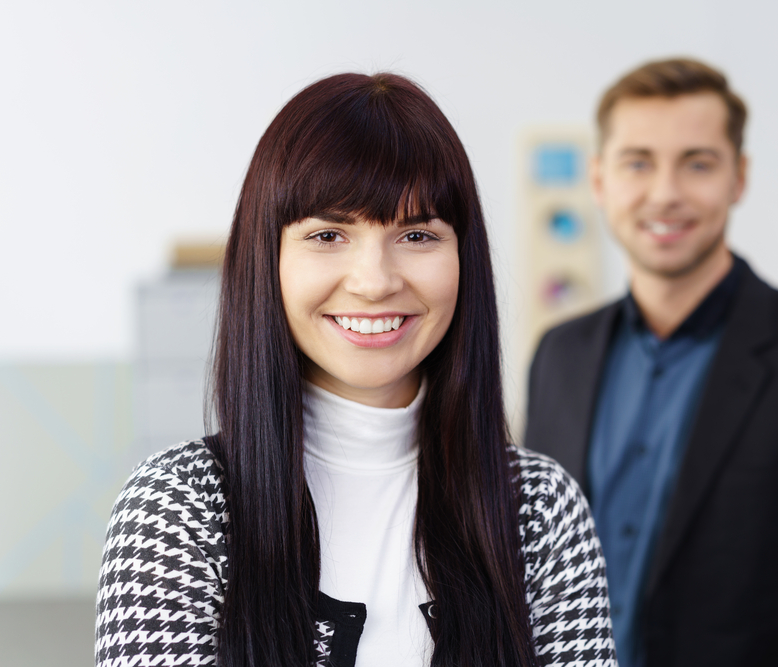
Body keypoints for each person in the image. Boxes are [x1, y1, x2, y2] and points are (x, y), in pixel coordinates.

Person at [95, 73, 616, 667]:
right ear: (268, 261)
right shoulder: (177, 508)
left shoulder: (540, 509)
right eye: (328, 234)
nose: (375, 281)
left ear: (463, 259)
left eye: (417, 234)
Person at [525, 58, 778, 666]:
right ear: (598, 179)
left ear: (738, 178)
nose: (665, 192)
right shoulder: (559, 355)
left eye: (697, 163)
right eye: (638, 162)